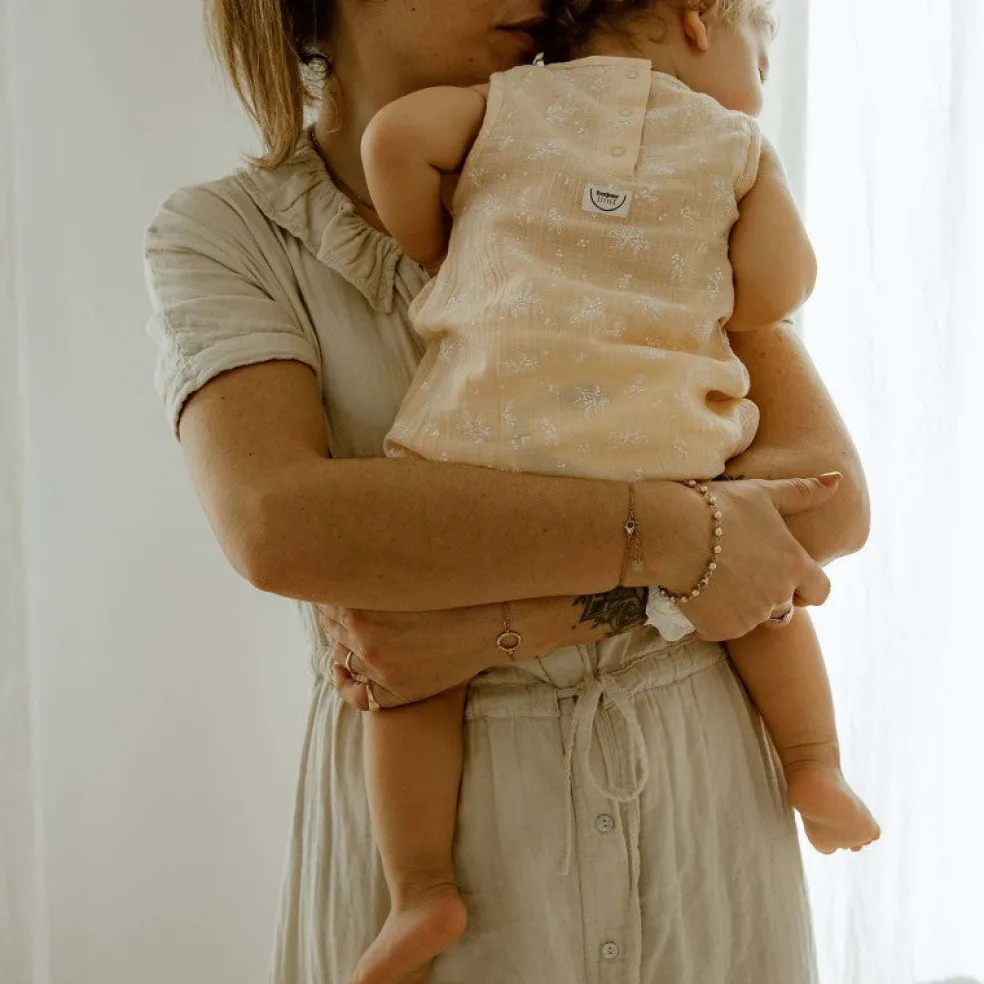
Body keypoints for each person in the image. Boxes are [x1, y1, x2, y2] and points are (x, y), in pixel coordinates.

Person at [143, 1, 870, 981]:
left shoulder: (649, 159)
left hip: (702, 833)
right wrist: (688, 539)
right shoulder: (227, 234)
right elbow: (282, 525)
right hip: (442, 840)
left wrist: (497, 628)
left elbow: (827, 506)